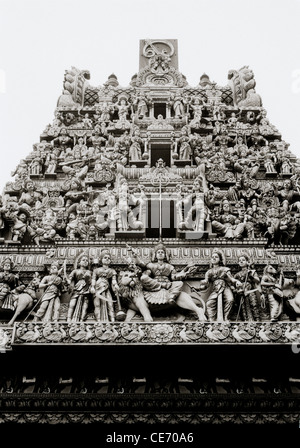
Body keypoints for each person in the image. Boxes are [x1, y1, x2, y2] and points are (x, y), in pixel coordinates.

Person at [199, 249, 242, 321]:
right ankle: (211, 319)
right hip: (215, 289)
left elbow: (231, 279)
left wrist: (237, 282)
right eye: (212, 257)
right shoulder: (209, 272)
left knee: (230, 300)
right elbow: (206, 284)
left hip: (225, 287)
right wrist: (198, 288)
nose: (214, 258)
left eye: (216, 257)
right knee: (209, 303)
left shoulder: (225, 269)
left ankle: (226, 317)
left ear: (220, 259)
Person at [90, 250, 119, 322]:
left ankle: (112, 320)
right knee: (97, 305)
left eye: (108, 258)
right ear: (101, 259)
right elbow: (93, 279)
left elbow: (114, 280)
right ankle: (99, 321)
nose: (107, 259)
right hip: (98, 288)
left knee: (110, 304)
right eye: (105, 257)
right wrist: (93, 287)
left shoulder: (112, 270)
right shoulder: (96, 270)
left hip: (106, 288)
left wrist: (116, 285)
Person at [234, 253, 262, 321]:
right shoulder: (237, 275)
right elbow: (234, 284)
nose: (241, 261)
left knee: (253, 304)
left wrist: (251, 277)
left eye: (243, 260)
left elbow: (257, 281)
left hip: (250, 291)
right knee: (242, 306)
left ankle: (256, 319)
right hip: (241, 292)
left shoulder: (252, 272)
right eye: (239, 260)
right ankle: (245, 319)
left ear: (247, 262)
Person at [66, 253, 92, 324]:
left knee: (85, 305)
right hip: (77, 288)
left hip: (86, 289)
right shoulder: (75, 271)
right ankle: (69, 318)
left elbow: (92, 282)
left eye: (87, 260)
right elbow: (70, 278)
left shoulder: (90, 272)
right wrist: (68, 281)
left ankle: (82, 319)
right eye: (83, 260)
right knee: (72, 303)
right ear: (79, 262)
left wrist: (91, 288)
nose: (85, 261)